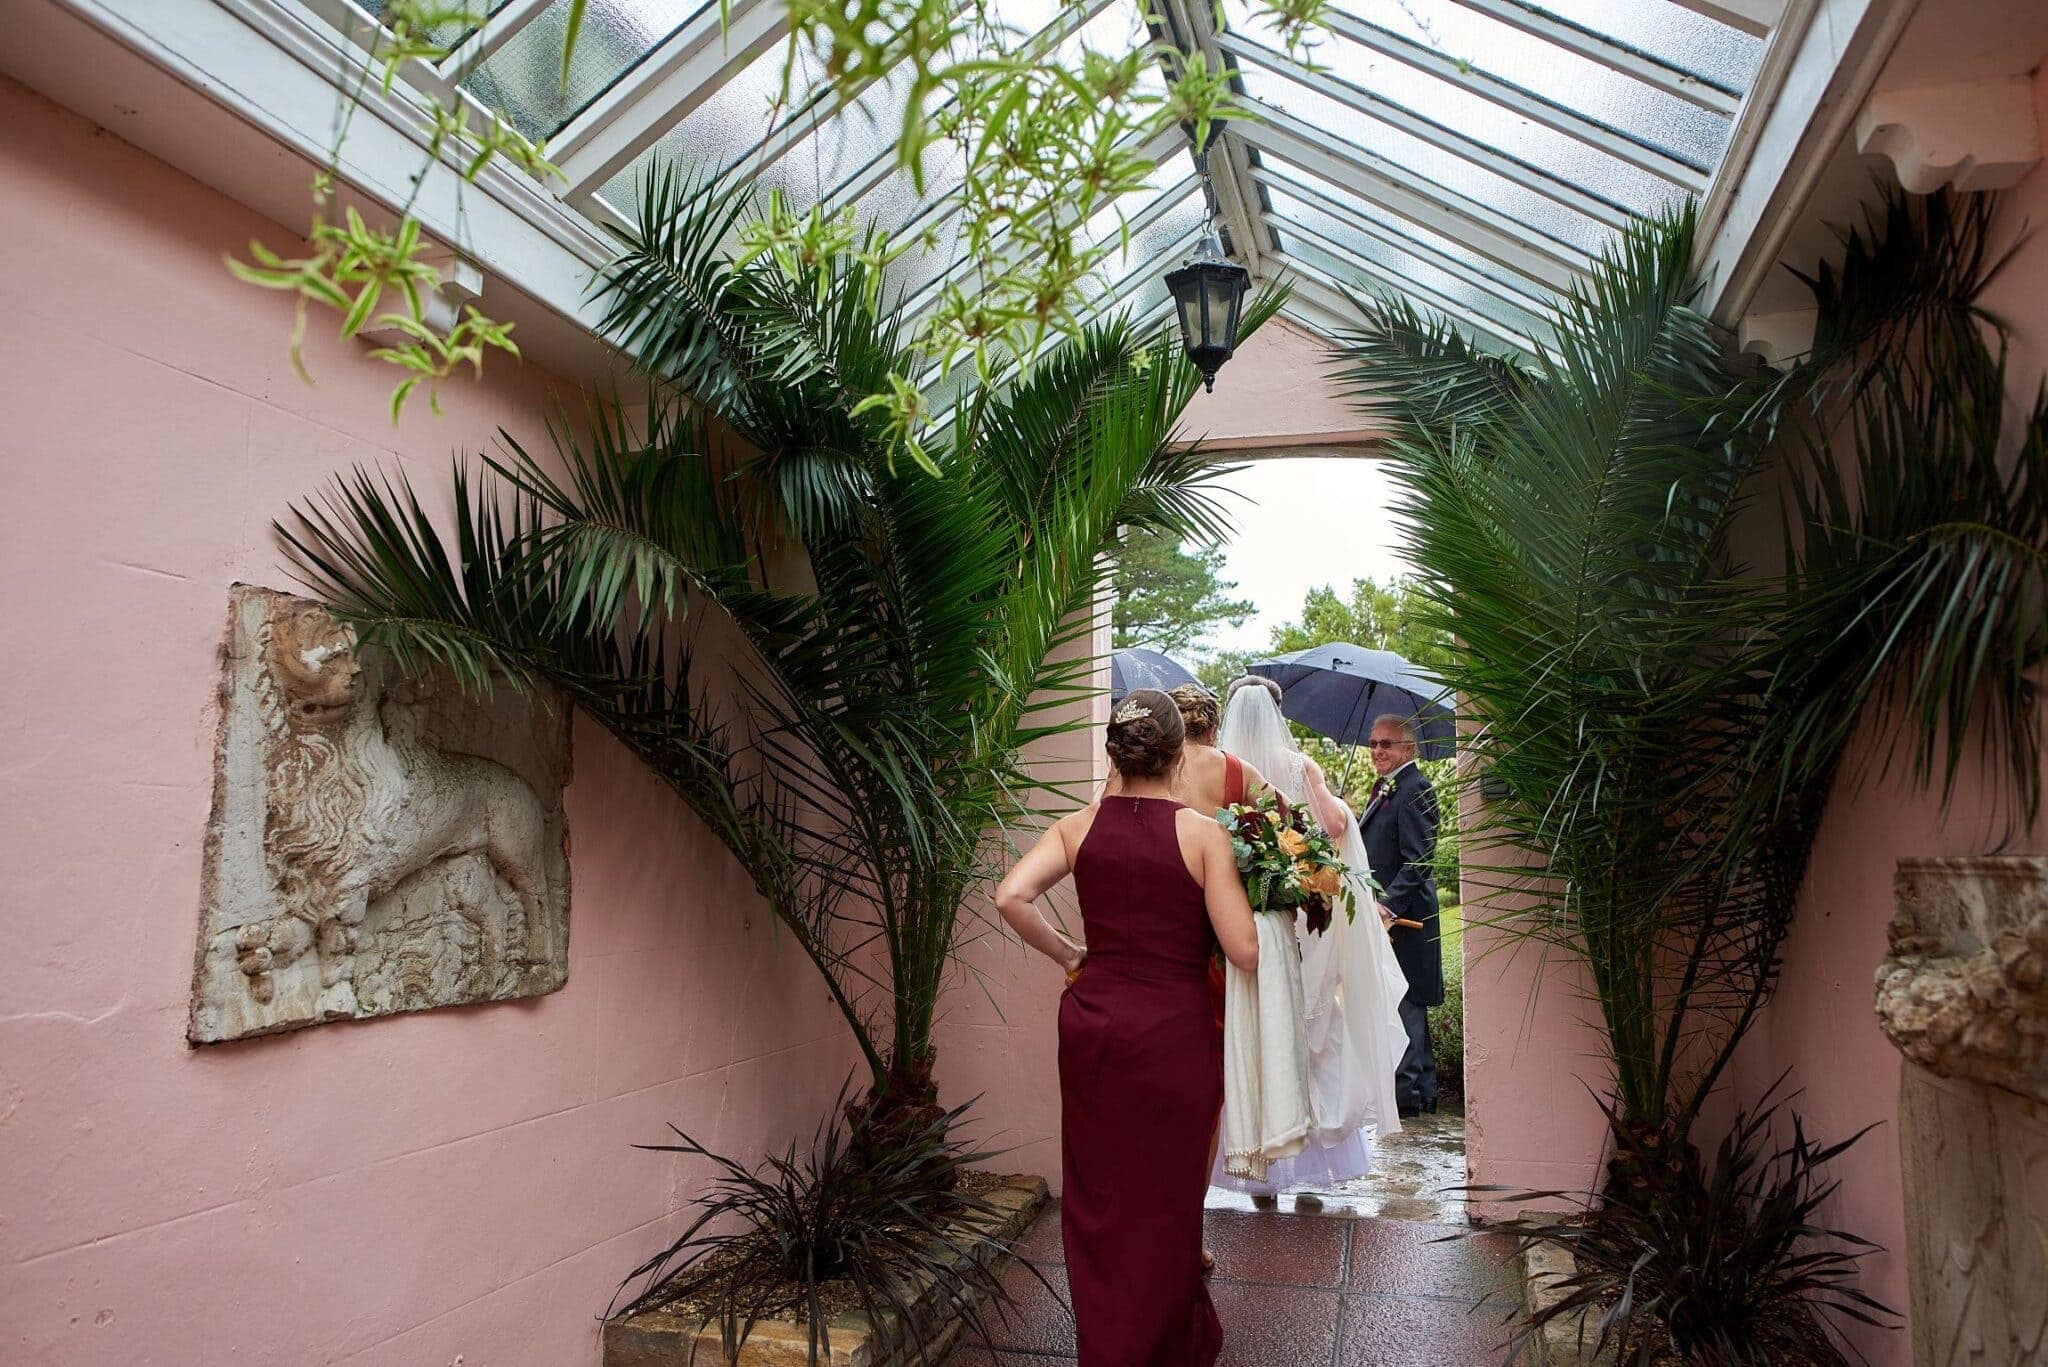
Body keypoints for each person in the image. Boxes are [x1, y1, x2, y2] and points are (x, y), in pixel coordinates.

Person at [994, 687, 1258, 1367]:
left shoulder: (1076, 827)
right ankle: (1165, 1344)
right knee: (1167, 1197)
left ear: (1116, 752)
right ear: (1178, 753)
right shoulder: (1204, 835)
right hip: (1174, 1030)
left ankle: (1106, 1346)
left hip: (1095, 1028)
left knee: (1098, 1197)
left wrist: (1067, 953)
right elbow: (1244, 949)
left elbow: (1010, 895)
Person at [1210, 676, 1409, 1204]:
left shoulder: (1219, 767)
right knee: (1308, 1033)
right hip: (1297, 913)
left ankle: (1258, 1172)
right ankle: (1306, 1170)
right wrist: (1337, 806)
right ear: (1280, 713)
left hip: (1235, 912)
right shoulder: (1299, 766)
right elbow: (1330, 825)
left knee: (1250, 1029)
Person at [1359, 713, 1443, 1116]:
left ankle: (1408, 1103)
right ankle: (1420, 1100)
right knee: (1403, 1005)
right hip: (1388, 921)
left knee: (1405, 1003)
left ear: (1408, 748)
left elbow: (1420, 860)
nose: (1377, 750)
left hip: (1405, 923)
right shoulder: (1388, 788)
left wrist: (1386, 904)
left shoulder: (1415, 788)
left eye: (1386, 744)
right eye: (1373, 743)